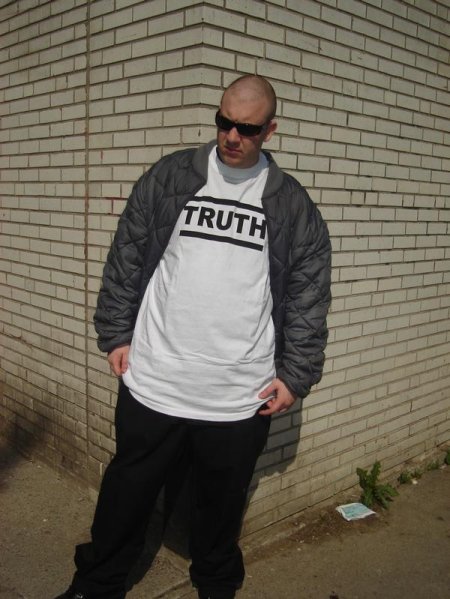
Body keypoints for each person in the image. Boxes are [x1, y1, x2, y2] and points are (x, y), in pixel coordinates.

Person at [56, 74, 331, 599]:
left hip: (238, 393)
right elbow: (127, 254)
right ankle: (97, 583)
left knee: (220, 505)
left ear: (270, 130)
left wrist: (295, 375)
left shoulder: (291, 204)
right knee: (126, 493)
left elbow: (308, 296)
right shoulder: (172, 176)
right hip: (155, 378)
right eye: (224, 122)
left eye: (247, 128)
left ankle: (216, 585)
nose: (232, 136)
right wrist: (116, 334)